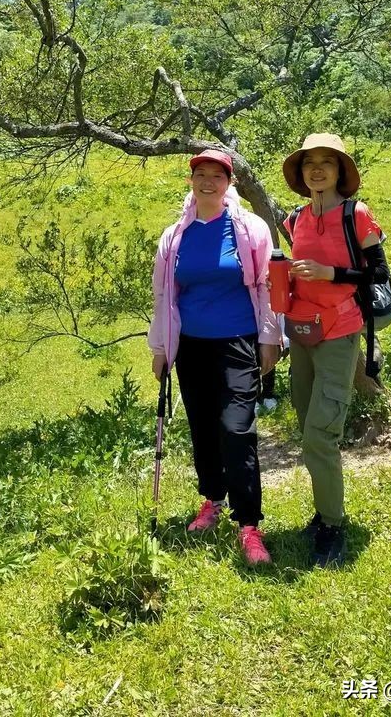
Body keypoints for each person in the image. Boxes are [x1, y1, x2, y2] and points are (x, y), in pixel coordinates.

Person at [148, 149, 281, 566]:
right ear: (191, 181)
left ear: (229, 183)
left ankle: (249, 525)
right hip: (190, 345)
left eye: (216, 175)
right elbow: (164, 296)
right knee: (203, 426)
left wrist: (271, 338)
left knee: (236, 428)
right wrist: (161, 348)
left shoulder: (249, 228)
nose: (208, 182)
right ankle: (212, 500)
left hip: (237, 341)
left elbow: (264, 286)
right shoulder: (175, 236)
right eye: (200, 174)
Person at [281, 133, 390, 568]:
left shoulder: (356, 215)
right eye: (311, 163)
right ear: (302, 172)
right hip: (303, 332)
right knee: (308, 424)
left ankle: (332, 525)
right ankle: (323, 512)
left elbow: (378, 273)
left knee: (319, 433)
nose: (318, 169)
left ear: (341, 171)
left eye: (328, 162)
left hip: (340, 333)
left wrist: (331, 273)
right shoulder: (295, 220)